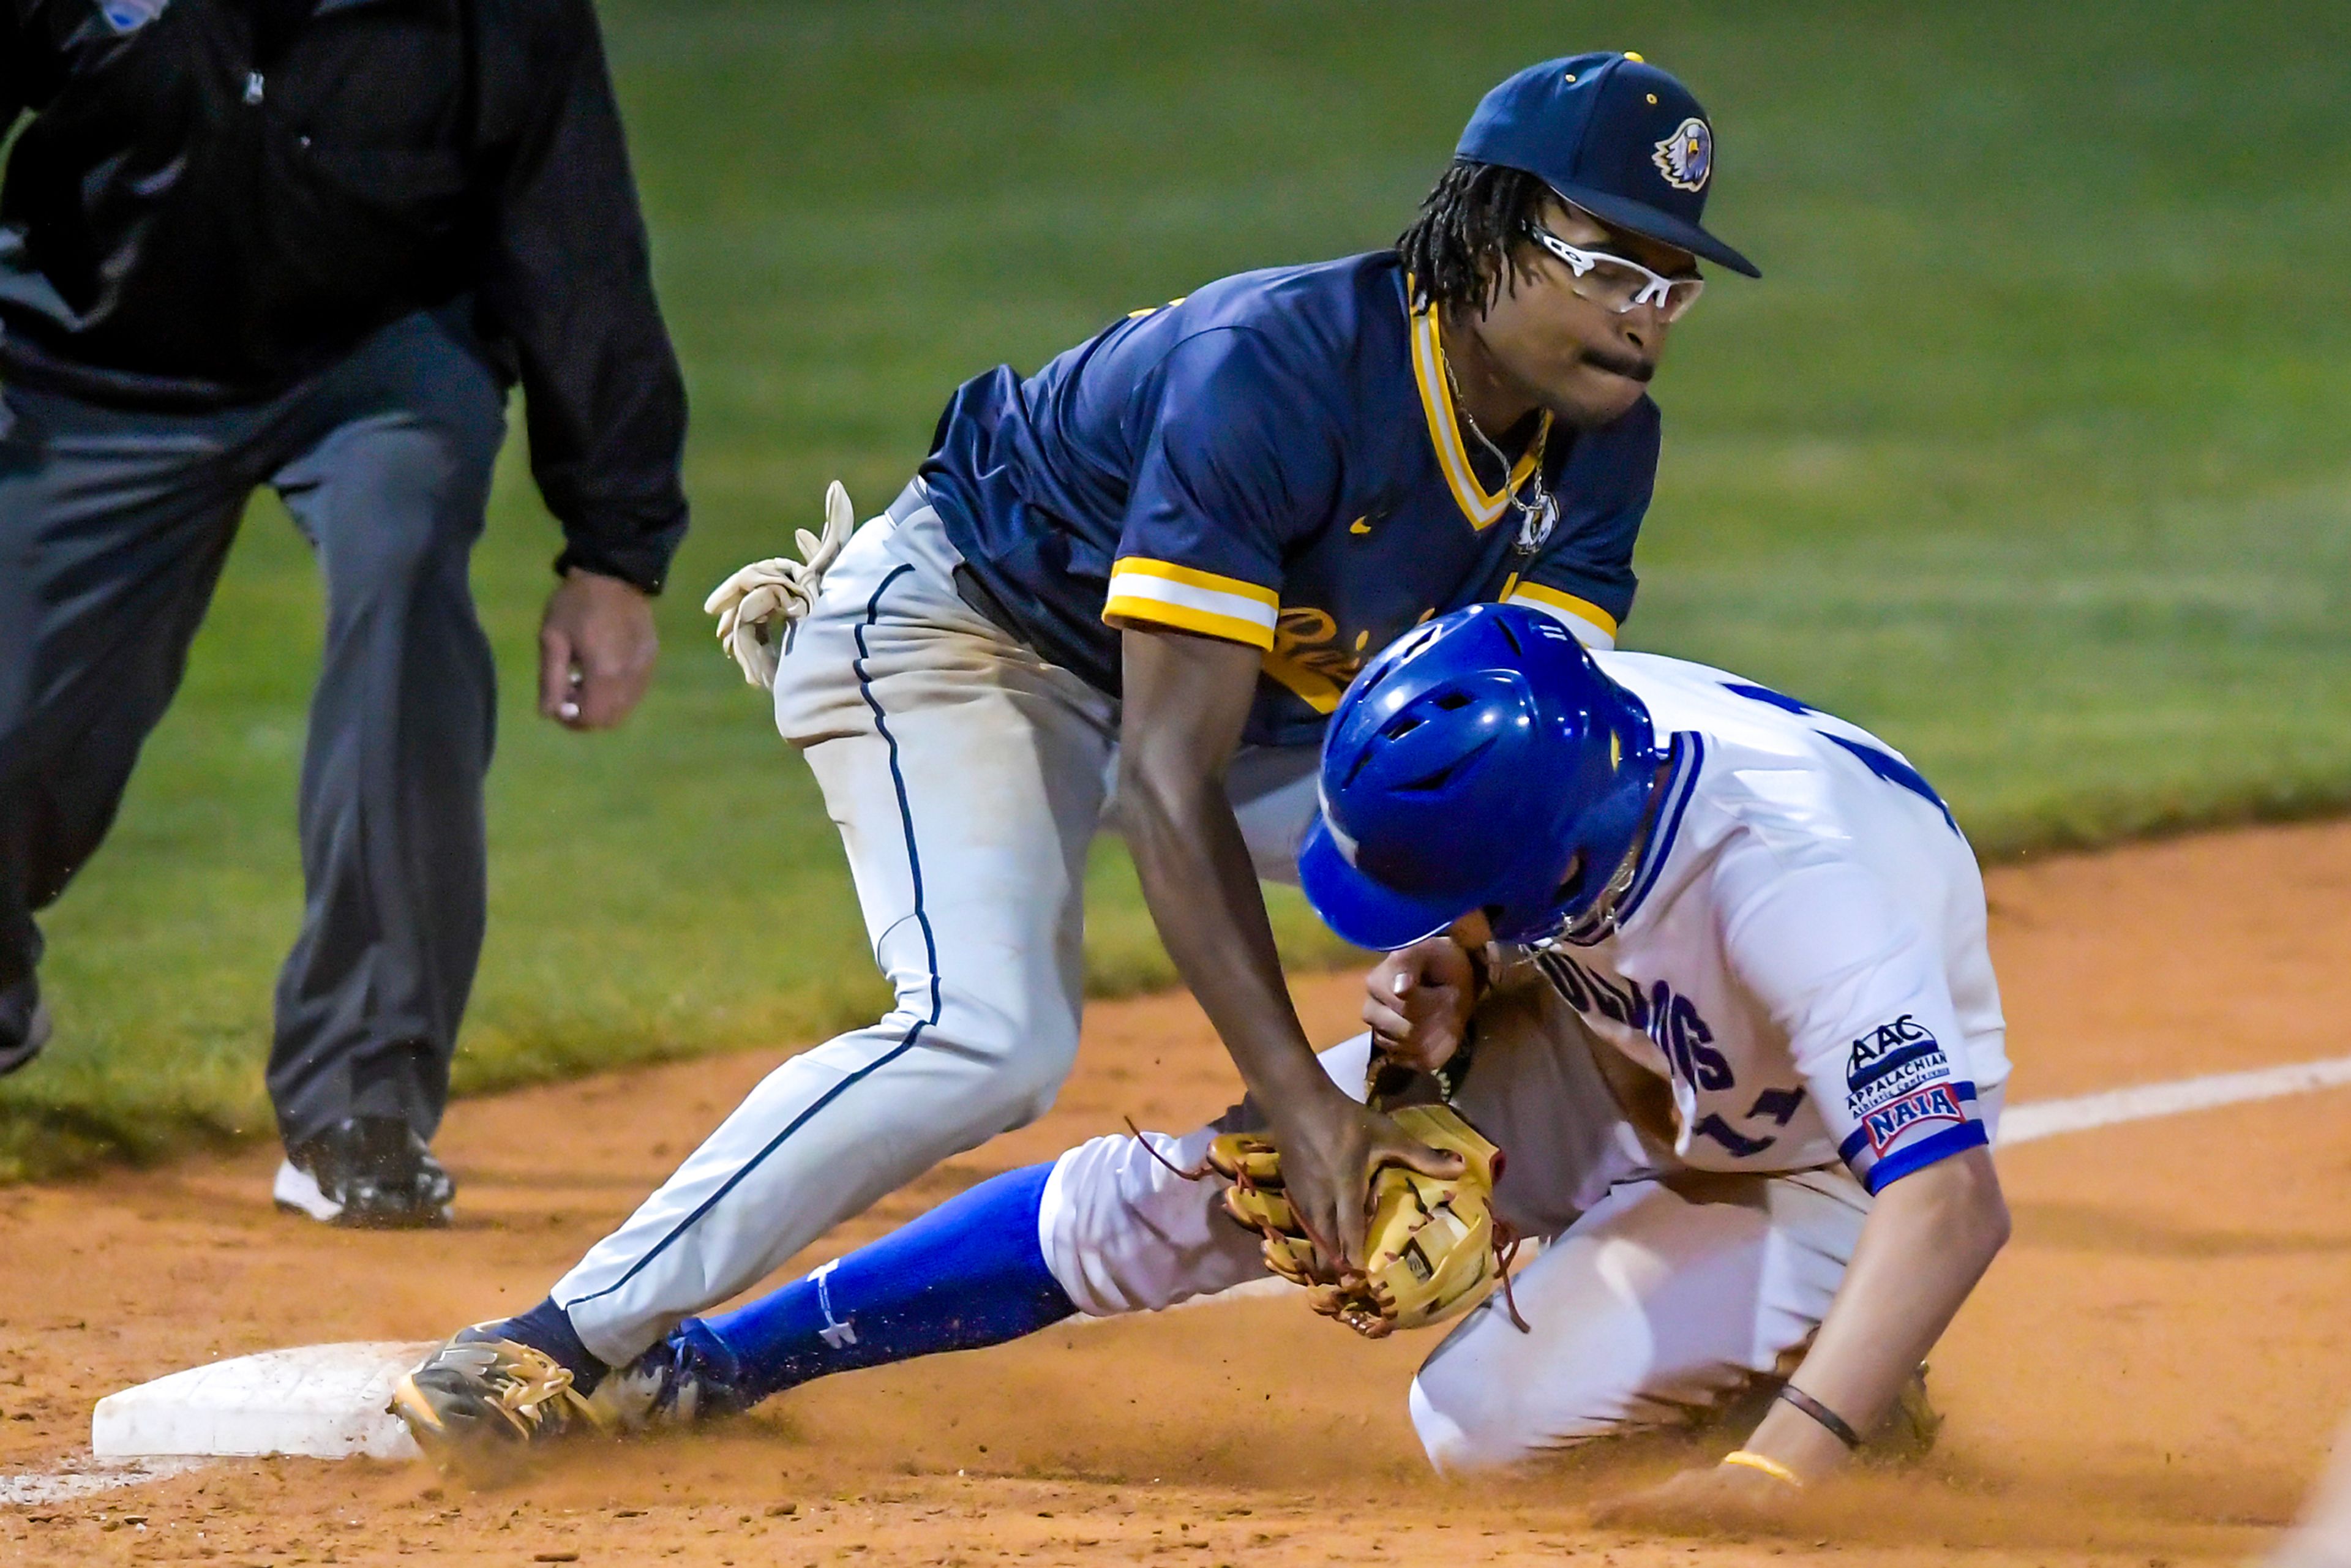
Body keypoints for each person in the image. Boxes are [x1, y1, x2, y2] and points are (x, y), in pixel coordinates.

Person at [390, 50, 1762, 1428]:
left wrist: (1429, 1018)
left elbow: (1513, 780)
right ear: (1486, 227)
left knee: (1593, 832)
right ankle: (552, 1340)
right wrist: (1297, 1099)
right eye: (1607, 266)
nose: (1643, 320)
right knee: (990, 1039)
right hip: (973, 639)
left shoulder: (1603, 447)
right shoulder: (1277, 369)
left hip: (1245, 712)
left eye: (1673, 286)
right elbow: (1168, 782)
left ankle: (1719, 1225)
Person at [394, 606, 2012, 1522]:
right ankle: (722, 1360)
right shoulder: (1557, 729)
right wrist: (1457, 965)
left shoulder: (1807, 887)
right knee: (1231, 1176)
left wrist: (1776, 1470)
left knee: (1478, 1423)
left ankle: (1789, 1368)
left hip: (1814, 1178)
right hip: (1621, 1043)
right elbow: (1538, 896)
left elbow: (1950, 1205)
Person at [0, 0, 689, 1225]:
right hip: (89, 364)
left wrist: (615, 553)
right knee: (19, 726)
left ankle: (358, 1099)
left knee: (404, 580)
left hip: (379, 363)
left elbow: (574, 237)